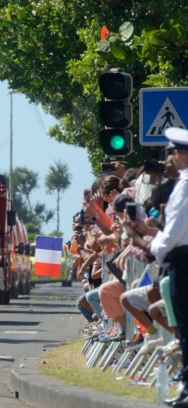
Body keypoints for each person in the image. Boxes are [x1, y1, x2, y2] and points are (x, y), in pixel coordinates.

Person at [126, 127, 188, 407]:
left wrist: (145, 242)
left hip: (183, 260)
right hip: (179, 257)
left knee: (185, 326)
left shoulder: (185, 184)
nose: (172, 158)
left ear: (180, 153)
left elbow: (173, 232)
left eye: (173, 152)